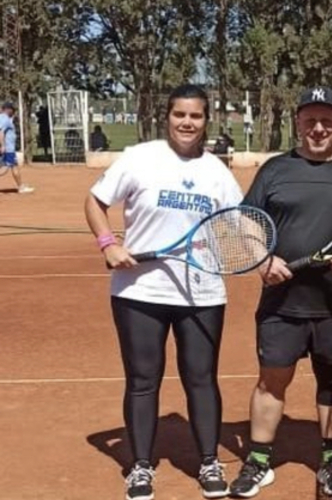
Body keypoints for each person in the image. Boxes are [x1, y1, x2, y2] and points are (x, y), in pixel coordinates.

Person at [84, 84, 244, 500]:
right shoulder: (141, 158)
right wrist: (109, 244)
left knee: (201, 379)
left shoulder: (218, 173)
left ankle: (209, 460)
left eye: (195, 116)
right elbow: (95, 200)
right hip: (139, 290)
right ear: (167, 117)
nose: (187, 123)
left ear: (206, 120)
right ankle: (139, 467)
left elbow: (238, 229)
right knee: (142, 380)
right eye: (179, 115)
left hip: (202, 294)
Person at [228, 86, 332, 498]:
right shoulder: (274, 170)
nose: (318, 128)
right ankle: (258, 461)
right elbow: (249, 221)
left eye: (326, 120)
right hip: (282, 303)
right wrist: (261, 260)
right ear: (298, 122)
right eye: (310, 120)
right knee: (271, 379)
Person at [0, 102, 34, 193]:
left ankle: (21, 186)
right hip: (8, 149)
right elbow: (1, 132)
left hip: (8, 148)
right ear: (8, 109)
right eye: (12, 109)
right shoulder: (4, 119)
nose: (13, 112)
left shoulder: (4, 118)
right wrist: (3, 145)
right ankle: (21, 187)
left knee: (10, 167)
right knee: (7, 168)